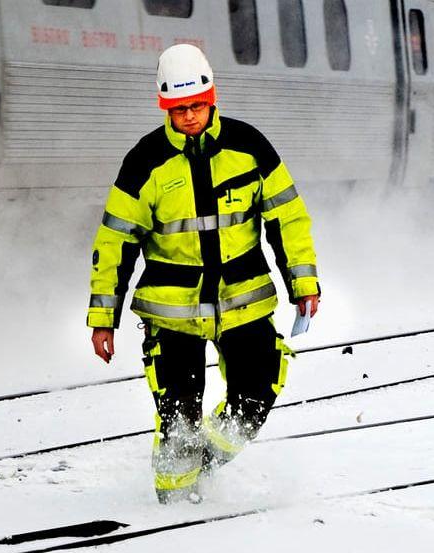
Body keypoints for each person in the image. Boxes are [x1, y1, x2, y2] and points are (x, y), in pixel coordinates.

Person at [85, 44, 321, 504]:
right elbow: (113, 243)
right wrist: (102, 318)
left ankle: (206, 464)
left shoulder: (249, 148)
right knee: (178, 423)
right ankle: (172, 511)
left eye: (197, 106)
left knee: (252, 404)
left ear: (212, 99)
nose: (189, 116)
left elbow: (288, 219)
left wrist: (303, 283)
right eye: (179, 109)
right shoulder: (144, 163)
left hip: (245, 303)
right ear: (164, 107)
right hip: (172, 319)